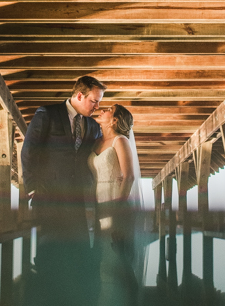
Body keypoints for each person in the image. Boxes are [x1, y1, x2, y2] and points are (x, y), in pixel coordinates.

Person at [20, 76, 107, 306]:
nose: (97, 106)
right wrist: (32, 188)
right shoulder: (46, 114)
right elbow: (29, 150)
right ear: (79, 95)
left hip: (78, 203)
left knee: (76, 254)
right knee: (48, 254)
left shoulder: (92, 126)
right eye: (94, 101)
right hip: (48, 198)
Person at [88, 104, 143, 306]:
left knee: (116, 257)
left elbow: (128, 177)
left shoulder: (121, 141)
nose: (101, 109)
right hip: (97, 203)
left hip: (115, 201)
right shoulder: (94, 142)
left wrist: (118, 214)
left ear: (115, 120)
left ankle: (128, 300)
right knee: (102, 258)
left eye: (108, 109)